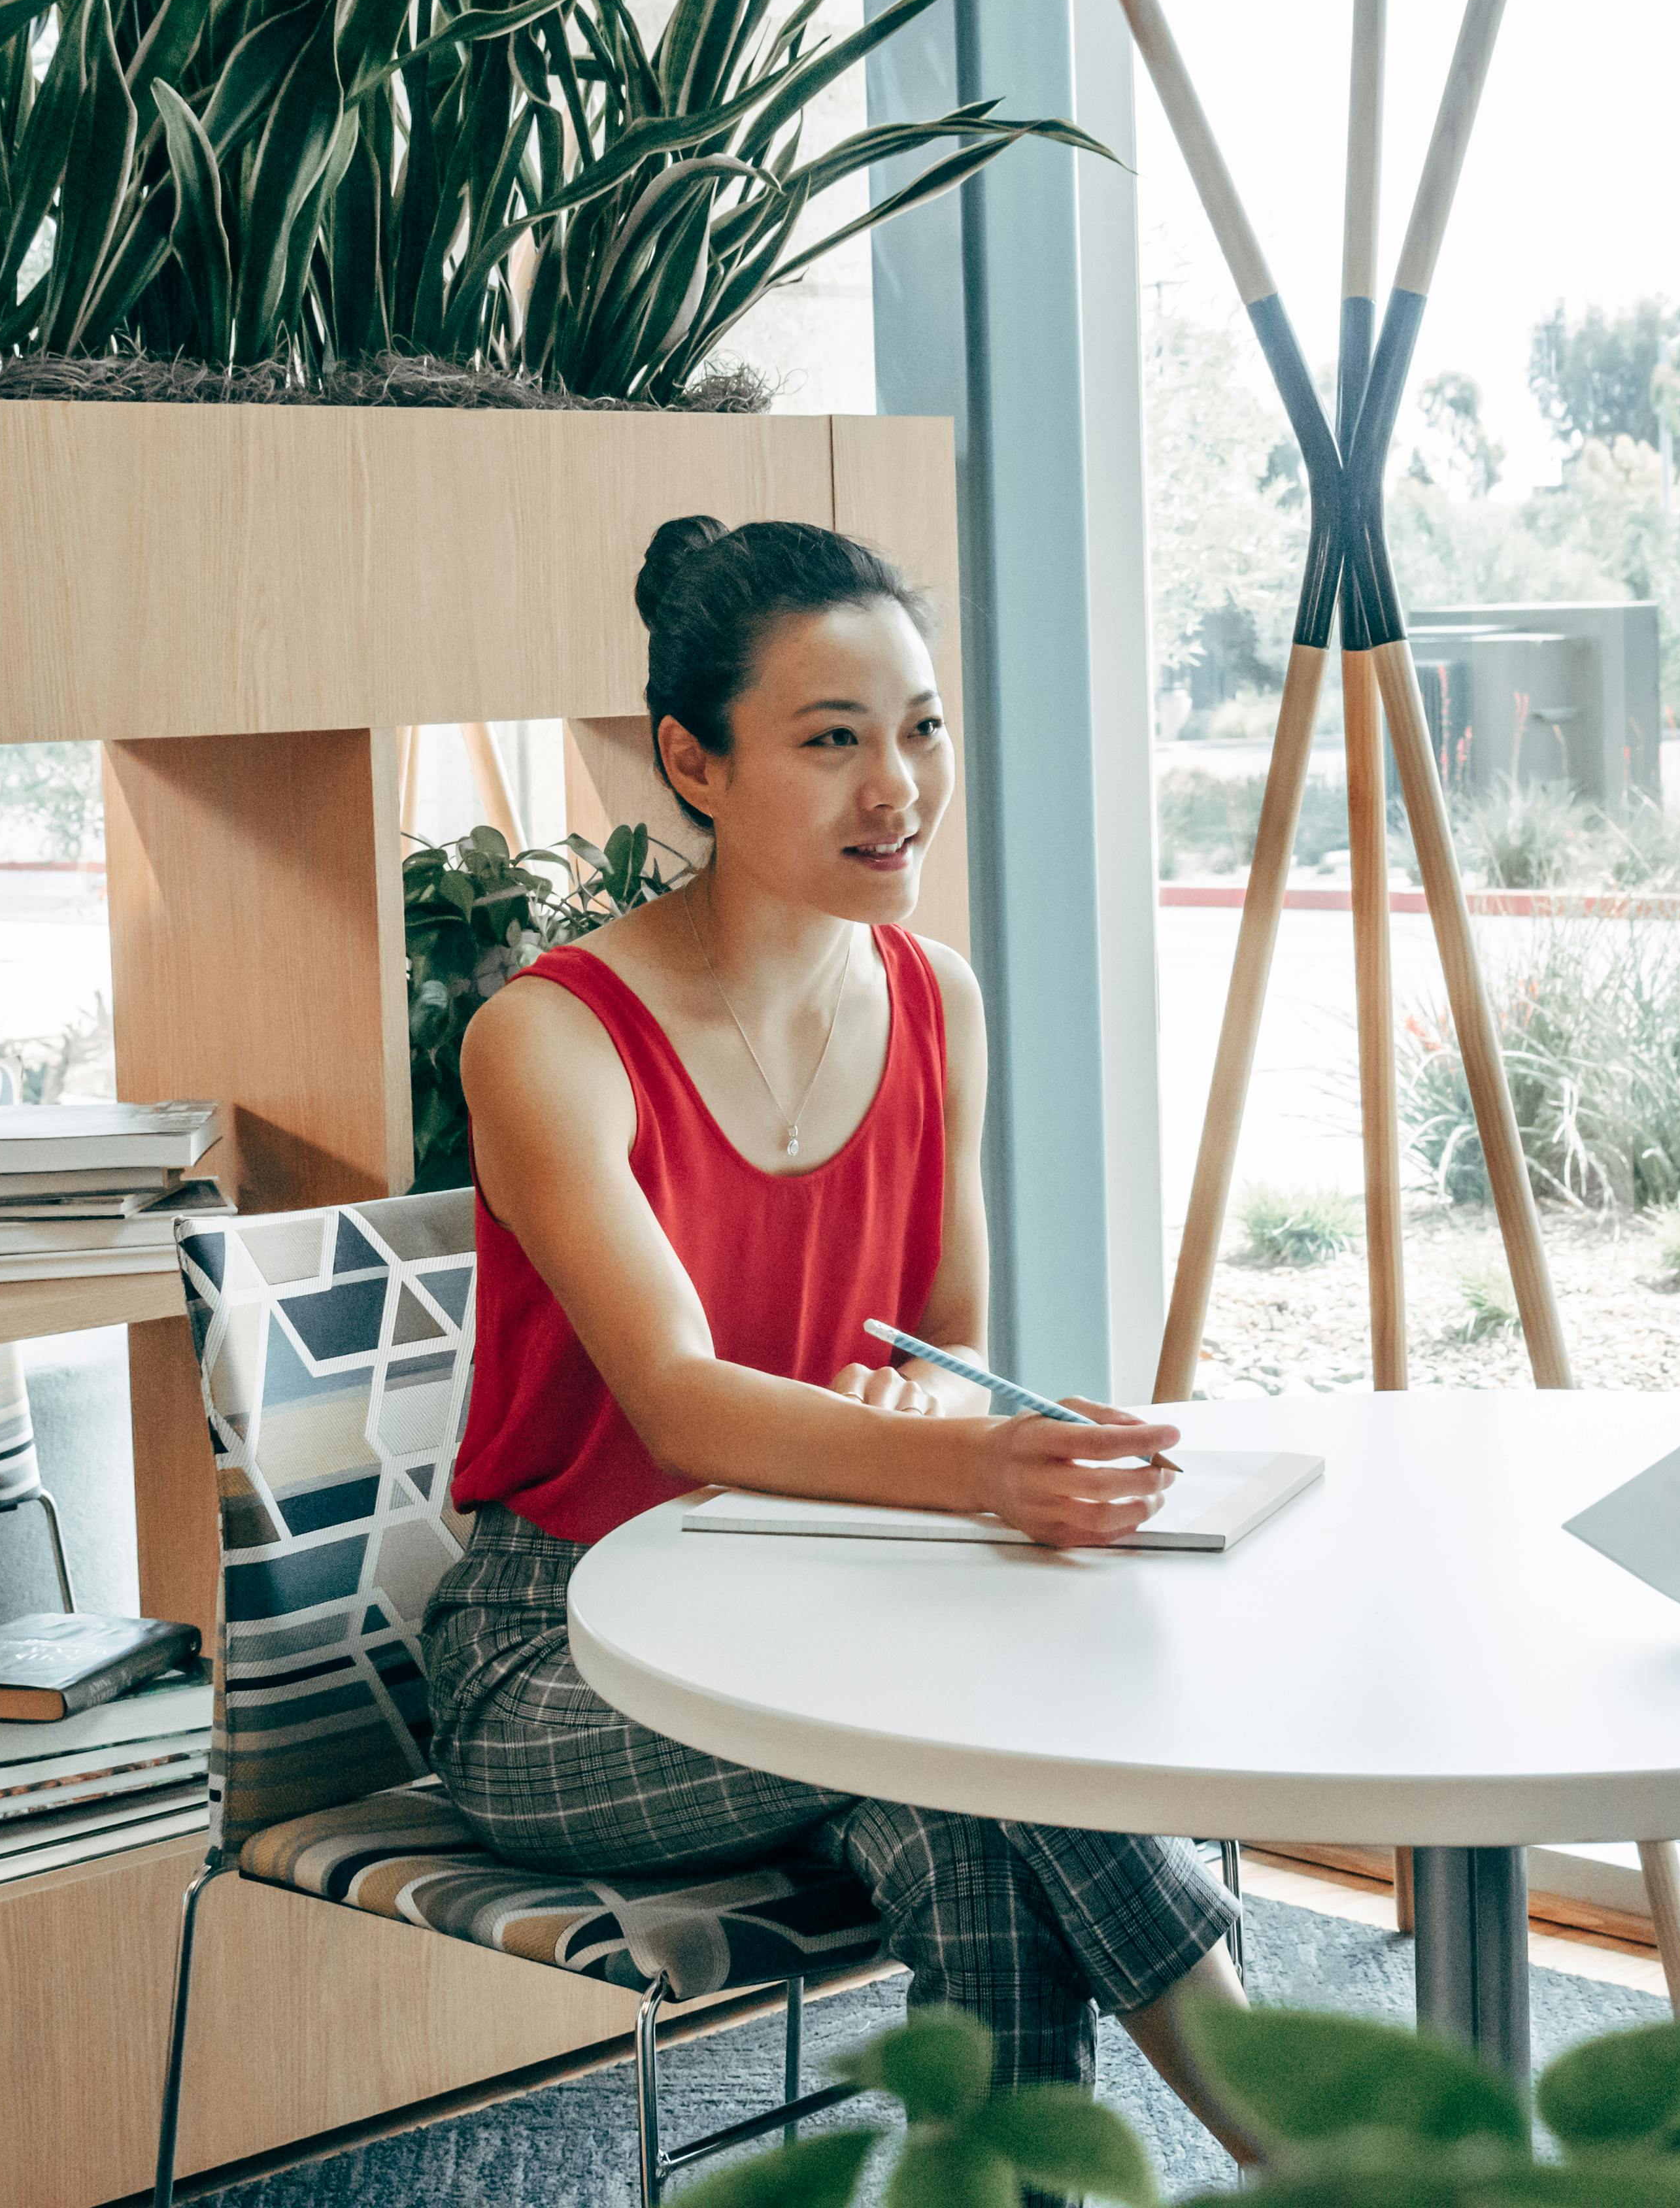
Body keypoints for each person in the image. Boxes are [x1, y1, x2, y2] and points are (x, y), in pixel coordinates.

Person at [428, 517, 1257, 2153]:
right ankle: (1338, 2155)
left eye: (920, 727)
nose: (899, 790)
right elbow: (672, 1404)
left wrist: (923, 1401)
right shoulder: (547, 1039)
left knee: (964, 1815)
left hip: (822, 1600)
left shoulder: (932, 993)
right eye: (830, 741)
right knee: (995, 1744)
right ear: (695, 761)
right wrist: (966, 1467)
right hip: (567, 1654)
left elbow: (944, 1329)